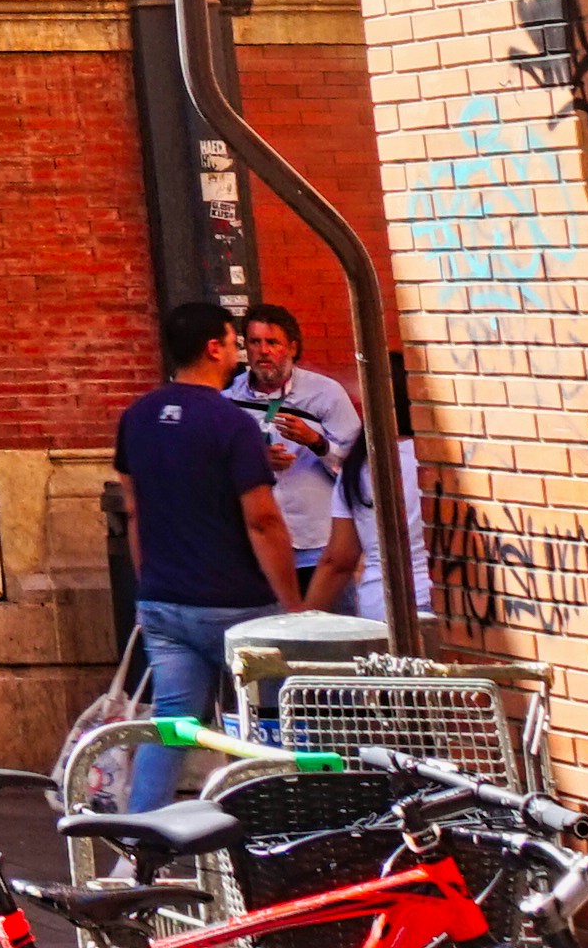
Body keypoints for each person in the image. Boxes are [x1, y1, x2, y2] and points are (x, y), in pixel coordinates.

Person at [108, 300, 304, 808]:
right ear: (213, 348)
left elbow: (134, 511)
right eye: (234, 341)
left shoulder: (136, 417)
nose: (241, 350)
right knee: (269, 725)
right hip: (235, 602)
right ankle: (271, 839)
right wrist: (291, 606)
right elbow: (262, 518)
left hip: (163, 601)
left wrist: (147, 584)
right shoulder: (229, 423)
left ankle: (137, 851)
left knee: (173, 726)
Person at [237, 304, 373, 614]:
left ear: (293, 347)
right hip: (260, 549)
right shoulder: (230, 399)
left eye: (272, 342)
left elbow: (359, 470)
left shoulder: (325, 394)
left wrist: (316, 442)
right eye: (255, 342)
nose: (263, 352)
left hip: (318, 546)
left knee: (334, 643)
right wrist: (255, 460)